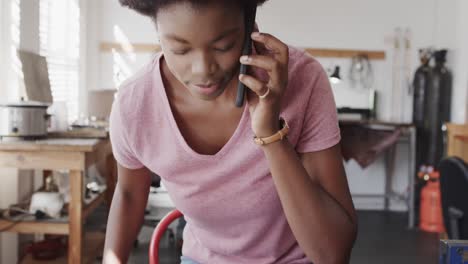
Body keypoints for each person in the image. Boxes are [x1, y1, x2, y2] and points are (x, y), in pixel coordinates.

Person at [103, 0, 358, 263]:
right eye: (179, 50)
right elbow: (130, 194)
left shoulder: (304, 79)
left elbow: (332, 254)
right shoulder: (135, 104)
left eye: (223, 46)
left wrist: (271, 134)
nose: (203, 70)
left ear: (250, 29)